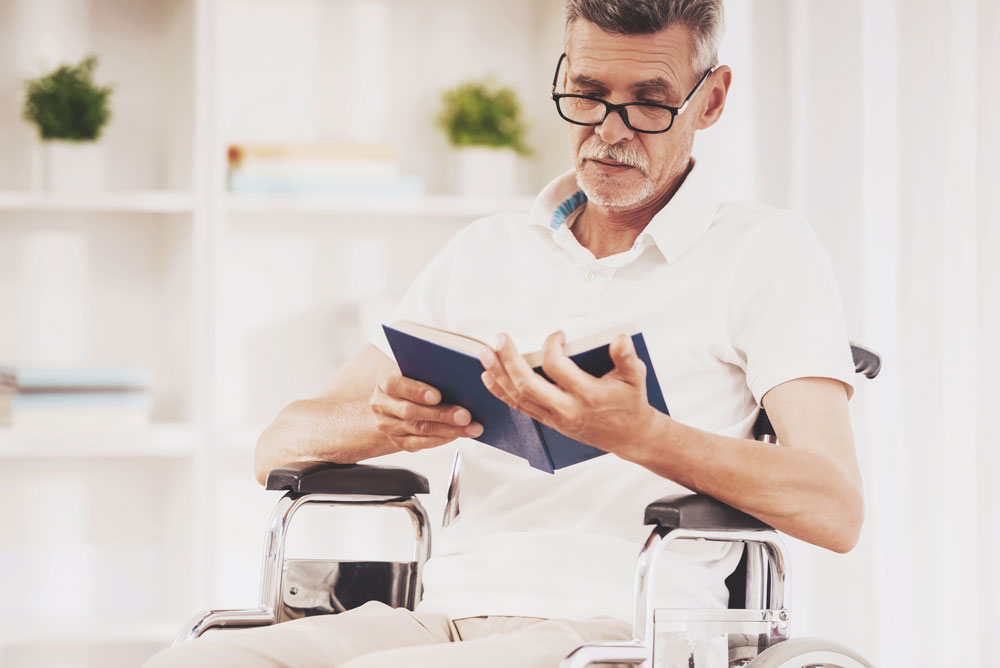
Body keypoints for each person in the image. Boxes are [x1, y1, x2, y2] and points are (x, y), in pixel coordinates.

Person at [144, 0, 863, 666]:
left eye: (648, 101)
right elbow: (278, 448)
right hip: (446, 614)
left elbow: (835, 507)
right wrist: (388, 423)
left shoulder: (763, 251)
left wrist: (643, 435)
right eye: (586, 93)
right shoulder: (485, 252)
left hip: (624, 626)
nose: (609, 130)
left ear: (710, 98)